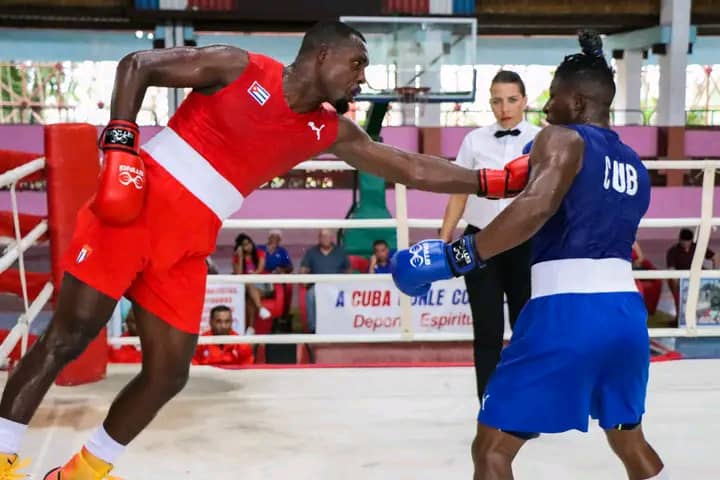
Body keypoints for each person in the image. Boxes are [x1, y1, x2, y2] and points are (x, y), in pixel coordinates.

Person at [0, 21, 527, 479]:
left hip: (186, 244)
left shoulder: (327, 128)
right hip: (135, 210)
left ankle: (83, 470)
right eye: (357, 63)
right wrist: (119, 142)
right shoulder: (239, 67)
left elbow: (408, 166)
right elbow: (138, 64)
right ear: (323, 55)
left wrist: (489, 181)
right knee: (68, 337)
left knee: (168, 372)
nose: (362, 77)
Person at [391, 32, 666, 479]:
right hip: (626, 316)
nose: (546, 107)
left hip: (566, 313)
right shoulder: (634, 164)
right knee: (628, 438)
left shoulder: (560, 138)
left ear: (576, 102)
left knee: (491, 450)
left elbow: (536, 207)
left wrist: (458, 256)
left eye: (553, 97)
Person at [439, 70, 540, 404]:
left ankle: (526, 405)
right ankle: (490, 406)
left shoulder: (543, 140)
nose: (504, 107)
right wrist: (444, 239)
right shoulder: (474, 141)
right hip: (479, 242)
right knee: (487, 329)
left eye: (511, 99)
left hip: (526, 242)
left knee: (526, 331)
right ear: (490, 103)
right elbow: (457, 192)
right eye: (497, 100)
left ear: (525, 100)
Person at [300, 229, 351, 333]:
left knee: (346, 297)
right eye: (323, 236)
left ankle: (344, 326)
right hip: (318, 286)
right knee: (310, 295)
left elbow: (348, 269)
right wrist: (303, 275)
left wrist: (346, 282)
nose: (325, 239)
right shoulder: (311, 252)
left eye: (328, 236)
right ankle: (313, 328)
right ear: (319, 238)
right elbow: (303, 268)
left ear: (331, 238)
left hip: (337, 286)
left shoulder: (340, 251)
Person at [232, 232, 272, 333]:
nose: (248, 246)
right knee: (249, 290)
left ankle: (250, 328)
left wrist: (252, 274)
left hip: (261, 284)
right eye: (244, 245)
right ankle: (260, 310)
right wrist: (240, 258)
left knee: (250, 297)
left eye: (249, 243)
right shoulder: (236, 258)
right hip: (246, 288)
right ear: (240, 247)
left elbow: (260, 269)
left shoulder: (259, 253)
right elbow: (238, 275)